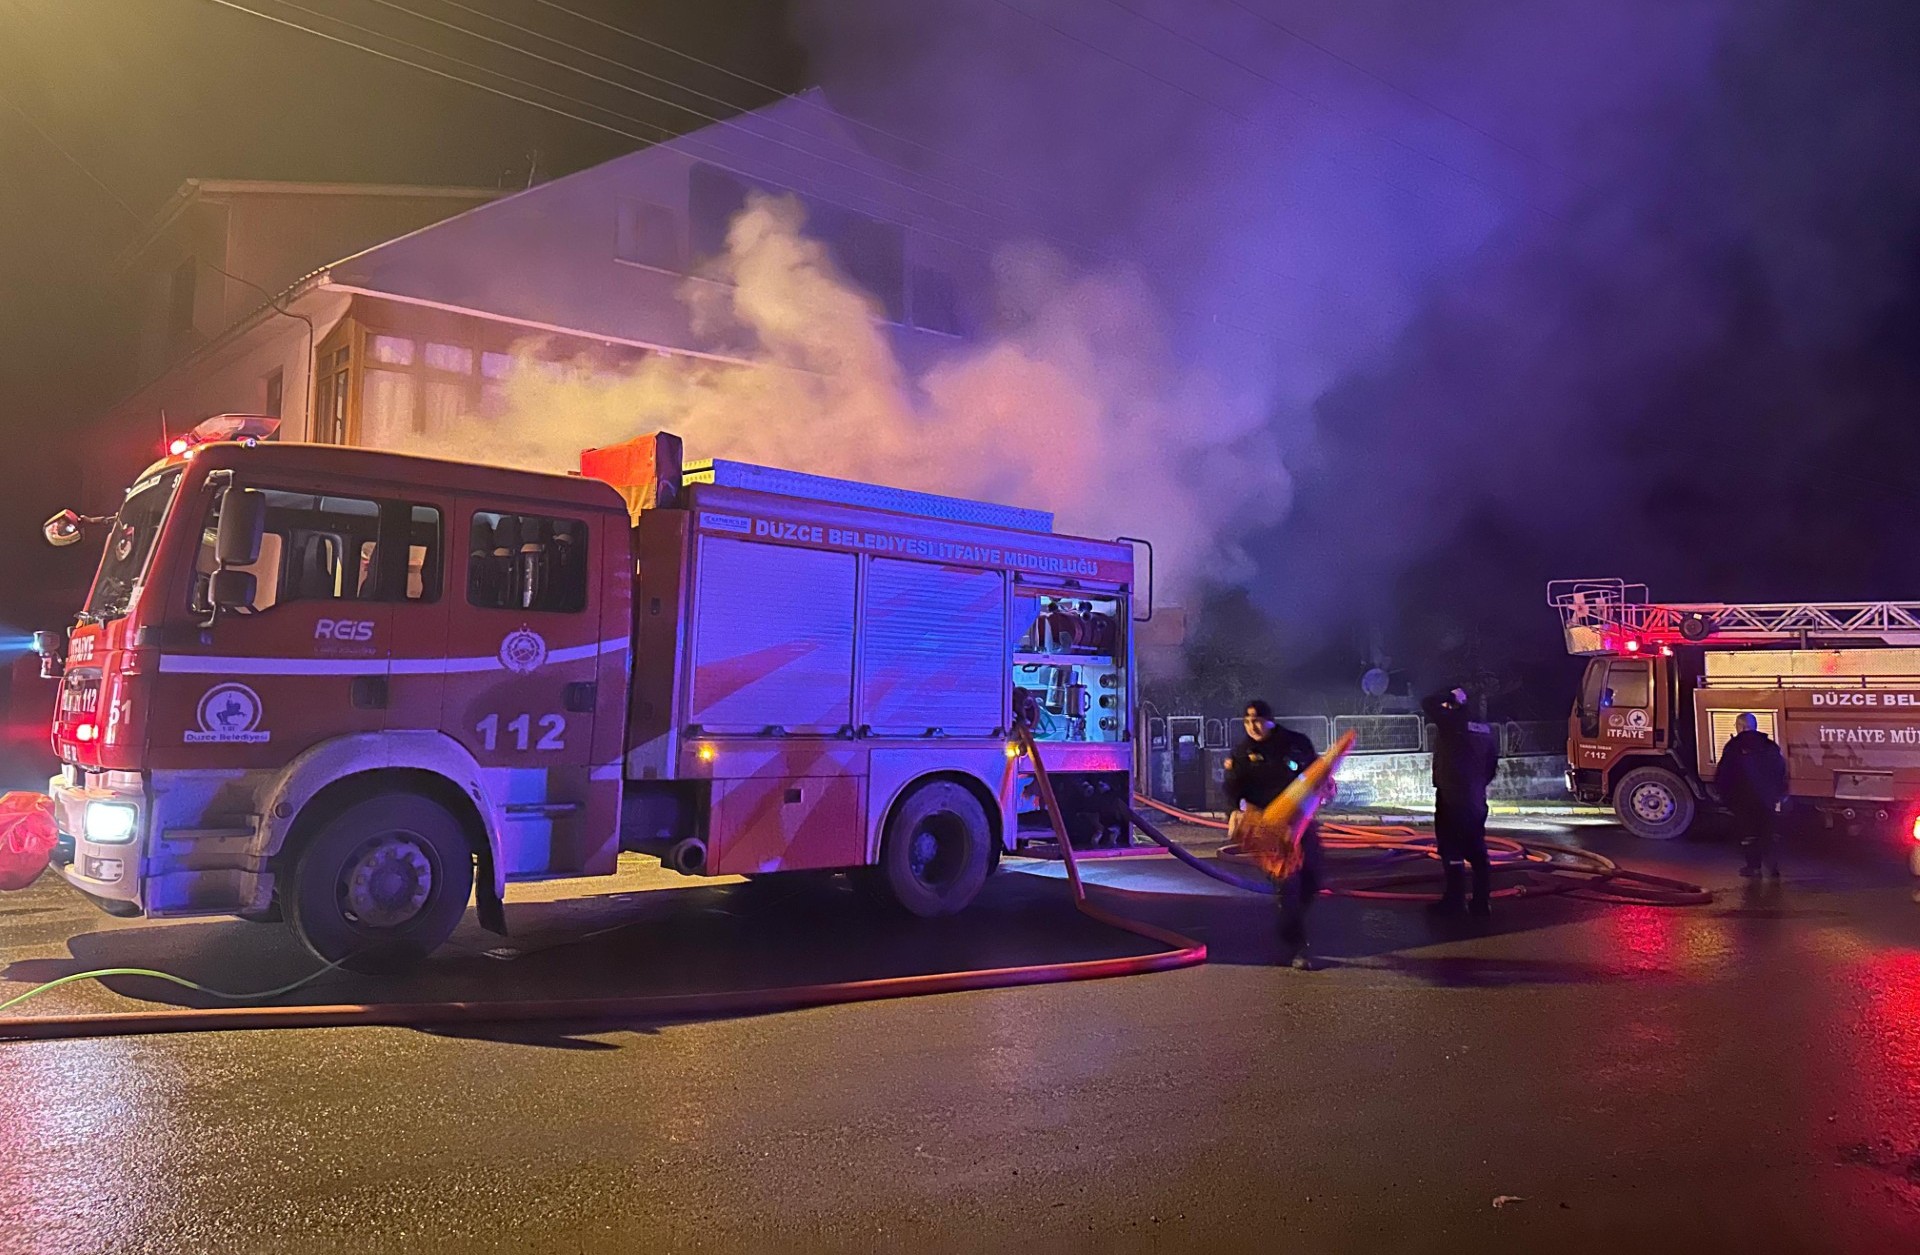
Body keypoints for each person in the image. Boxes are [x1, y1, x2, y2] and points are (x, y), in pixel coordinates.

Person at [1223, 699, 1323, 969]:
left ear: (1270, 719)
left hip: (1301, 823)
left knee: (1313, 879)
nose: (1252, 726)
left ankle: (1292, 925)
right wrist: (1235, 810)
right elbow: (1233, 788)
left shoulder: (1295, 743)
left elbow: (1316, 773)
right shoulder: (1243, 753)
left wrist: (1325, 787)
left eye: (1257, 720)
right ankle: (1296, 947)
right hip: (1269, 828)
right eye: (1246, 721)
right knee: (1288, 884)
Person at [1423, 686, 1500, 917]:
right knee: (1477, 849)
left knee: (1452, 849)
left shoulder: (1453, 723)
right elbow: (1491, 766)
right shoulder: (1484, 729)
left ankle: (1455, 901)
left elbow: (1427, 701)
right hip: (1475, 798)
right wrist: (1476, 786)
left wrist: (1447, 695)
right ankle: (1481, 902)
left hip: (1451, 797)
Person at [1716, 712, 1787, 878]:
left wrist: (1726, 796)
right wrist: (1777, 794)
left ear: (1740, 726)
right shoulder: (1769, 745)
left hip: (1743, 799)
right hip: (1767, 799)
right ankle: (1773, 867)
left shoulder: (1734, 746)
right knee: (1768, 833)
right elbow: (1780, 770)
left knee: (1749, 834)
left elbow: (1725, 773)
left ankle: (1753, 867)